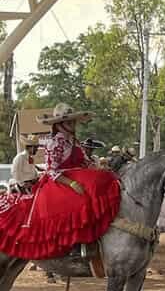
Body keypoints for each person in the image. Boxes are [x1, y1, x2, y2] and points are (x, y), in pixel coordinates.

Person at [0, 104, 121, 268]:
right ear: (59, 124)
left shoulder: (74, 141)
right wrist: (70, 182)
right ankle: (75, 246)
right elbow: (51, 171)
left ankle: (98, 240)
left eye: (74, 122)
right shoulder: (54, 142)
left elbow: (85, 162)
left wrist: (98, 168)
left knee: (102, 181)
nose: (73, 125)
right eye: (69, 122)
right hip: (59, 181)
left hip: (77, 175)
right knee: (77, 202)